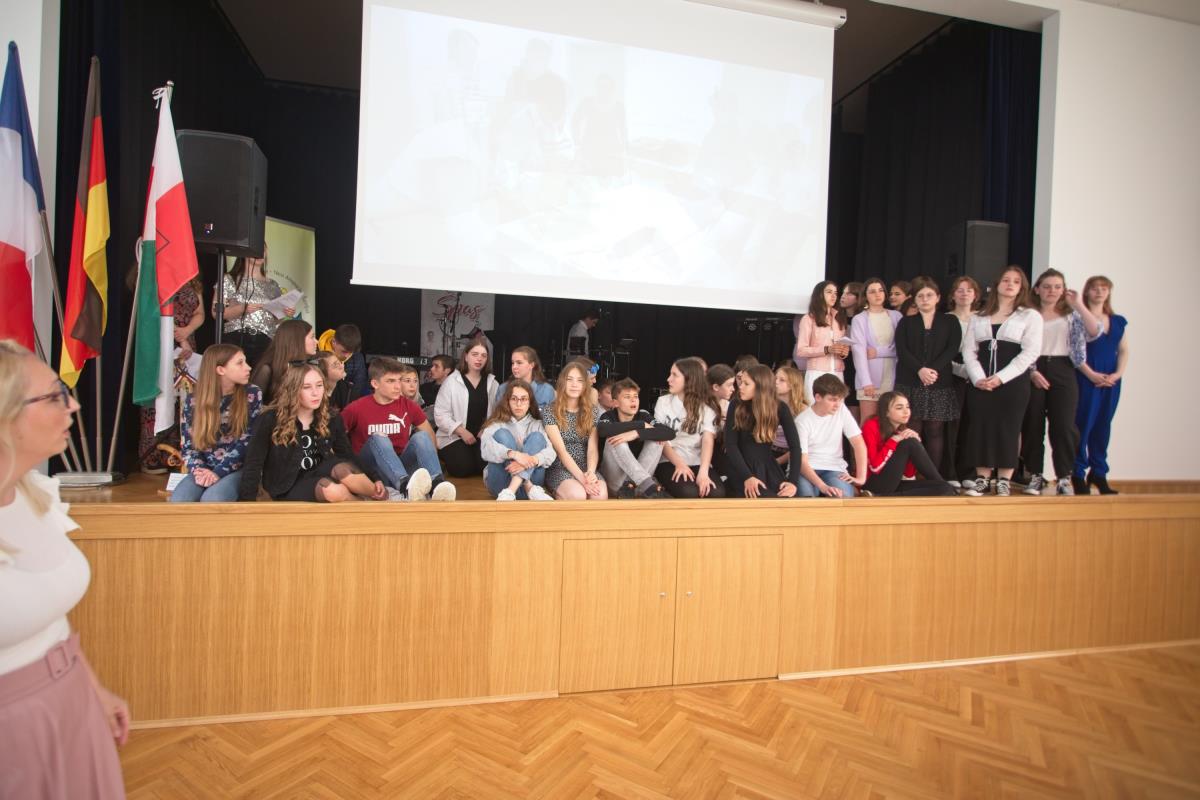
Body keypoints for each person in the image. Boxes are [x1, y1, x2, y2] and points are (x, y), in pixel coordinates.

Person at [0, 340, 129, 797]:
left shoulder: (35, 494)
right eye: (55, 396)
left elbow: (51, 618)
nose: (73, 405)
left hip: (71, 699)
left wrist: (91, 688)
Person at [238, 364, 386, 502]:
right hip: (288, 484)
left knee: (344, 470)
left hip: (322, 470)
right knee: (332, 490)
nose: (315, 393)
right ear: (293, 390)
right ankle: (365, 510)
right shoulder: (270, 419)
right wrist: (246, 503)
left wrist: (375, 478)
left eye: (319, 385)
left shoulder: (331, 416)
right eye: (307, 387)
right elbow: (254, 462)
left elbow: (346, 453)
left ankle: (382, 498)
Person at [961, 266, 1044, 497]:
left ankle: (1004, 479)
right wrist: (978, 378)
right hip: (981, 382)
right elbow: (969, 351)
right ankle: (982, 478)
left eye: (1016, 281)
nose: (1010, 285)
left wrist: (1000, 378)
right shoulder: (978, 316)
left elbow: (1030, 352)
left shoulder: (1030, 316)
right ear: (997, 284)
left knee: (1009, 428)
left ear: (1022, 287)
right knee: (981, 427)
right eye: (1006, 280)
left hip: (1012, 383)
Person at [1020, 269, 1099, 495]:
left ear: (1064, 290)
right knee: (1032, 424)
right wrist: (1032, 371)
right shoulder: (1026, 314)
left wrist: (1079, 305)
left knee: (1064, 426)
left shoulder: (1072, 315)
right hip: (1033, 367)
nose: (1052, 291)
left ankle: (1064, 476)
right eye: (1047, 286)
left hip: (1063, 368)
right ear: (1037, 289)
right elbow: (1019, 345)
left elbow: (1095, 332)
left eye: (1057, 287)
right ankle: (1035, 474)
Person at [342, 358, 455, 501]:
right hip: (372, 471)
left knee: (421, 437)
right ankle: (405, 487)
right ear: (375, 384)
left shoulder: (408, 405)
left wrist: (430, 464)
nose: (398, 387)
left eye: (399, 380)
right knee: (379, 437)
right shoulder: (356, 408)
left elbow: (430, 436)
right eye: (390, 381)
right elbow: (335, 440)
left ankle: (437, 486)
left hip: (402, 466)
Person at [172, 344, 263, 502]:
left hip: (238, 468)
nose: (248, 367)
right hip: (205, 469)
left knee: (213, 499)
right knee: (181, 499)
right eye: (240, 363)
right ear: (221, 370)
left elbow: (247, 442)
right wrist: (200, 471)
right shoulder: (193, 401)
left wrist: (218, 473)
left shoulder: (252, 394)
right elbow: (189, 447)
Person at [138, 275, 205, 474]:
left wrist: (186, 332)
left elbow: (200, 313)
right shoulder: (155, 275)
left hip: (186, 345)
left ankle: (177, 455)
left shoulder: (192, 278)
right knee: (158, 397)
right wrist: (178, 336)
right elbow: (151, 311)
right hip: (160, 340)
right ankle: (152, 456)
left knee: (184, 399)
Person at [894, 277, 961, 473]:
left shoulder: (950, 321)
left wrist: (931, 371)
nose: (925, 299)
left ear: (938, 298)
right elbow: (902, 350)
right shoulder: (906, 322)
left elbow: (952, 348)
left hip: (938, 382)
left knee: (935, 430)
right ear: (914, 299)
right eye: (920, 296)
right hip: (910, 380)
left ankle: (933, 476)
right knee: (912, 429)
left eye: (929, 295)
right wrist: (920, 370)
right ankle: (910, 475)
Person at [1071, 275, 1128, 495]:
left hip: (1110, 380)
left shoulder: (1117, 321)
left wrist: (1117, 374)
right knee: (1083, 425)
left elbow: (1123, 350)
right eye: (1095, 288)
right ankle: (1077, 472)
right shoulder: (1078, 318)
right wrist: (1090, 374)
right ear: (1087, 291)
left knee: (1103, 426)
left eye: (1104, 288)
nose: (1099, 292)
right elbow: (1074, 351)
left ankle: (1099, 472)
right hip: (1086, 376)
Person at [724, 364, 800, 498]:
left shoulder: (780, 408)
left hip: (768, 467)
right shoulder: (736, 404)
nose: (740, 386)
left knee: (785, 498)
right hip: (741, 467)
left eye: (746, 384)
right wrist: (747, 477)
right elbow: (731, 445)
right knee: (764, 498)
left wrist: (793, 482)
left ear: (760, 386)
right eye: (741, 382)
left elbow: (795, 447)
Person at [653, 357, 726, 498]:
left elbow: (707, 440)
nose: (668, 379)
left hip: (697, 461)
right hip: (669, 460)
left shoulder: (707, 406)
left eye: (674, 375)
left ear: (689, 379)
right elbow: (661, 439)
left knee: (716, 493)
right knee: (689, 492)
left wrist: (703, 473)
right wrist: (680, 464)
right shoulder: (663, 402)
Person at [861, 391, 957, 496]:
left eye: (908, 407)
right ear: (886, 412)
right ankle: (877, 495)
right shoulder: (871, 426)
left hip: (892, 484)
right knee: (910, 443)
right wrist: (893, 441)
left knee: (944, 488)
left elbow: (908, 474)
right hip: (873, 483)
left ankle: (879, 497)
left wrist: (917, 445)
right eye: (899, 408)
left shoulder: (902, 431)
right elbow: (874, 467)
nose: (906, 411)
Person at [542, 361, 608, 500]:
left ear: (585, 385)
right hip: (560, 466)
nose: (574, 384)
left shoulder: (592, 411)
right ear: (562, 383)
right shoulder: (550, 411)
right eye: (569, 380)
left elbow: (592, 448)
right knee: (577, 494)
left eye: (579, 380)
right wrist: (583, 480)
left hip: (586, 466)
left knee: (599, 495)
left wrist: (590, 472)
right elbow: (561, 452)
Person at [433, 337, 499, 477]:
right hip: (455, 435)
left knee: (485, 467)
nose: (479, 359)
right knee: (462, 468)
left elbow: (498, 414)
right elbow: (440, 414)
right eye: (475, 354)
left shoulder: (492, 383)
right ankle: (445, 456)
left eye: (483, 355)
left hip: (481, 436)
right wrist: (462, 431)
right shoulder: (451, 381)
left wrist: (486, 428)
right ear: (466, 357)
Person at [598, 378, 673, 499]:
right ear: (615, 403)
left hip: (637, 487)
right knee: (616, 439)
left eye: (636, 396)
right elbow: (603, 430)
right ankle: (647, 485)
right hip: (615, 484)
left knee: (658, 440)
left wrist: (637, 433)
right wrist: (640, 426)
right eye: (627, 397)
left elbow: (669, 433)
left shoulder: (643, 415)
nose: (633, 400)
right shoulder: (608, 416)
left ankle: (632, 484)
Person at [794, 374, 868, 498]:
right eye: (833, 399)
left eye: (840, 399)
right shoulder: (802, 421)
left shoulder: (842, 410)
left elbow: (858, 443)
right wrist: (823, 486)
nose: (837, 404)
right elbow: (802, 463)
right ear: (818, 397)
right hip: (806, 469)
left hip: (834, 468)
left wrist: (861, 478)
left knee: (843, 497)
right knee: (807, 499)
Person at [480, 380, 555, 500]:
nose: (518, 404)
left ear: (530, 403)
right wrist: (514, 454)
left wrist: (532, 459)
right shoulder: (497, 423)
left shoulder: (538, 425)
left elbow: (551, 453)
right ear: (508, 402)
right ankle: (526, 485)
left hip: (531, 488)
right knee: (503, 434)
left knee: (537, 437)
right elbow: (485, 449)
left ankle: (511, 490)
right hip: (501, 486)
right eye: (514, 399)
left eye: (523, 399)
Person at [216, 246, 288, 368]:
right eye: (258, 248)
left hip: (265, 340)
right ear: (245, 251)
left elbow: (277, 319)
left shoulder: (273, 285)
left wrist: (284, 312)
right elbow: (216, 313)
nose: (260, 253)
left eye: (263, 250)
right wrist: (242, 309)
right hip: (236, 337)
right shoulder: (230, 279)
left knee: (263, 375)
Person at [944, 276, 984, 487]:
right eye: (959, 290)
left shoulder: (983, 318)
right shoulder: (945, 319)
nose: (964, 293)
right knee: (952, 425)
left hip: (978, 375)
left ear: (975, 295)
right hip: (952, 374)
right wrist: (960, 370)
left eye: (969, 290)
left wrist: (974, 372)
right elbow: (941, 352)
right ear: (953, 295)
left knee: (972, 425)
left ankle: (968, 472)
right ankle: (949, 472)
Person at [851, 277, 902, 422]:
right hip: (870, 378)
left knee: (890, 423)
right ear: (865, 296)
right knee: (868, 422)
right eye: (872, 291)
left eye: (880, 290)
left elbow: (901, 347)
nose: (877, 294)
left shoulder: (896, 316)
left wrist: (878, 352)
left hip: (893, 376)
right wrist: (866, 381)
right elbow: (859, 352)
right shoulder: (859, 319)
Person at [794, 281, 850, 405]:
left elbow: (841, 346)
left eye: (835, 293)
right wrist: (827, 349)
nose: (834, 296)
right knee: (815, 409)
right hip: (817, 372)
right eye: (829, 292)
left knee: (837, 410)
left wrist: (843, 352)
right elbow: (801, 350)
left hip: (837, 372)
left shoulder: (839, 319)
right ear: (819, 295)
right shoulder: (808, 319)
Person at [249, 319, 317, 405]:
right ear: (297, 340)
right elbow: (252, 406)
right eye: (312, 337)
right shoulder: (267, 369)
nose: (316, 341)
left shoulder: (310, 365)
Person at [317, 323, 370, 399]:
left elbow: (358, 388)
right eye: (344, 351)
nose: (347, 356)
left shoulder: (357, 358)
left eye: (351, 352)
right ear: (334, 341)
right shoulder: (316, 353)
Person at [773, 365, 808, 469]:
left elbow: (802, 446)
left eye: (782, 380)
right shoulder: (769, 405)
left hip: (793, 455)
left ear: (792, 385)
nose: (776, 382)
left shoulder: (803, 410)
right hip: (770, 451)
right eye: (775, 378)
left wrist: (777, 462)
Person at [839, 281, 864, 421]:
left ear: (858, 297)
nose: (843, 296)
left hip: (856, 363)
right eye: (843, 293)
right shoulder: (837, 317)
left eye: (848, 293)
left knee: (854, 402)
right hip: (840, 361)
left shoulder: (863, 318)